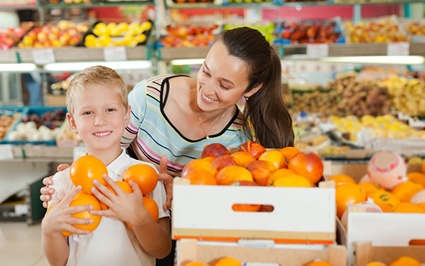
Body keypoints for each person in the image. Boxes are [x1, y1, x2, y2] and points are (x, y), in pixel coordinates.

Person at [40, 26, 294, 265]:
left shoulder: (241, 140)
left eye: (225, 85)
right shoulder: (149, 98)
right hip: (139, 210)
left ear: (251, 90)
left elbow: (229, 204)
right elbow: (107, 144)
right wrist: (76, 174)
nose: (207, 88)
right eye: (206, 71)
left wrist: (185, 192)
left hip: (180, 233)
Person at [41, 66, 171, 266]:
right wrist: (48, 230)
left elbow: (162, 250)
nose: (100, 120)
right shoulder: (62, 182)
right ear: (72, 123)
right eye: (87, 112)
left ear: (126, 115)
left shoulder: (147, 176)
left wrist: (139, 219)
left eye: (110, 110)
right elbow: (58, 262)